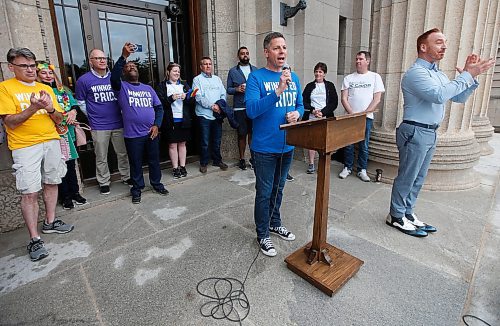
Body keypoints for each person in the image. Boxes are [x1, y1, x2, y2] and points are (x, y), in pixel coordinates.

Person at [387, 28, 495, 237]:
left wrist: (470, 79)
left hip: (429, 132)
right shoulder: (415, 73)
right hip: (415, 131)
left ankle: (408, 213)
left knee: (419, 177)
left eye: (444, 42)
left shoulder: (438, 74)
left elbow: (457, 98)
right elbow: (438, 95)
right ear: (423, 47)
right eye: (438, 42)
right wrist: (466, 75)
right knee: (408, 177)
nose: (444, 46)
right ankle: (396, 216)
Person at [0, 48, 74, 261]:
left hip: (50, 141)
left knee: (52, 182)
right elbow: (9, 122)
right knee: (30, 192)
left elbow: (60, 119)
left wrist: (51, 109)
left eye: (33, 65)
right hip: (25, 146)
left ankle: (50, 222)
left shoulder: (45, 88)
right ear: (11, 67)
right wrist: (33, 108)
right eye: (25, 66)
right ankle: (34, 238)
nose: (31, 69)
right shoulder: (5, 88)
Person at [245, 32, 304, 257]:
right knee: (264, 191)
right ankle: (262, 234)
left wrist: (297, 115)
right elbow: (251, 111)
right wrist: (278, 91)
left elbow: (300, 105)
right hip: (264, 148)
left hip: (287, 145)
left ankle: (274, 222)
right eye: (277, 48)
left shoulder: (294, 77)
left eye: (284, 47)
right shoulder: (256, 78)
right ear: (266, 52)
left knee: (279, 188)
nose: (282, 52)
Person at [111, 42, 168, 204]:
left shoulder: (148, 89)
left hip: (151, 132)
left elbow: (159, 108)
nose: (131, 67)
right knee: (135, 164)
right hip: (133, 134)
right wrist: (123, 57)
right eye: (128, 67)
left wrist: (157, 125)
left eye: (134, 66)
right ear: (124, 72)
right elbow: (113, 77)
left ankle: (156, 184)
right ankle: (137, 188)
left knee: (154, 161)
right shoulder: (121, 87)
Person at [75, 48, 130, 195]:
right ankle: (104, 181)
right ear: (91, 61)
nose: (102, 60)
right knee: (101, 156)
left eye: (104, 58)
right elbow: (80, 102)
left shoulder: (114, 77)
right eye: (98, 58)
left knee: (122, 153)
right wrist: (92, 115)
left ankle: (126, 176)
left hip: (118, 122)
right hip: (99, 125)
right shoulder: (83, 80)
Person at [36, 62, 88, 210]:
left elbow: (74, 105)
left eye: (50, 73)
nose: (48, 76)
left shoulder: (62, 90)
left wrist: (73, 112)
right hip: (52, 135)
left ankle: (75, 193)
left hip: (67, 134)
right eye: (44, 73)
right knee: (57, 167)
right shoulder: (39, 92)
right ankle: (65, 196)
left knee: (70, 165)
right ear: (38, 76)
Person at [338, 51, 384, 182]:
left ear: (367, 61)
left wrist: (364, 114)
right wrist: (352, 114)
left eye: (361, 59)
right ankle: (347, 167)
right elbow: (344, 98)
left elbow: (377, 99)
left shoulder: (375, 77)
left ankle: (362, 169)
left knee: (364, 144)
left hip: (366, 118)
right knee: (348, 144)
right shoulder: (349, 78)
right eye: (356, 59)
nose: (358, 61)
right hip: (350, 117)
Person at [156, 62, 194, 178]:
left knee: (182, 144)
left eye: (178, 71)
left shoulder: (184, 84)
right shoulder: (162, 86)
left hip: (184, 119)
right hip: (170, 120)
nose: (177, 73)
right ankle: (175, 168)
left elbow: (192, 100)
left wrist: (186, 97)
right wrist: (171, 98)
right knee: (172, 145)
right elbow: (160, 103)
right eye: (174, 71)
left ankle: (182, 166)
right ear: (168, 72)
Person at [192, 57, 228, 173]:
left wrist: (220, 105)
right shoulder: (197, 80)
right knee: (205, 141)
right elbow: (197, 97)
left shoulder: (217, 79)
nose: (208, 66)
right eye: (205, 64)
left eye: (210, 64)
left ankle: (217, 160)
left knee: (217, 140)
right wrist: (212, 106)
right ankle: (204, 162)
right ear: (201, 67)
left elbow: (223, 94)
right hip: (204, 115)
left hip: (217, 115)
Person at [302, 62, 338, 173]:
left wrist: (322, 112)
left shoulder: (330, 86)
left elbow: (334, 102)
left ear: (324, 74)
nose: (318, 74)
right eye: (316, 71)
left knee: (324, 141)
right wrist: (313, 110)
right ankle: (311, 163)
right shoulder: (309, 86)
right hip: (312, 117)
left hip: (325, 117)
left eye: (320, 72)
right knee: (311, 141)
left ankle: (323, 163)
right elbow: (303, 101)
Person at [227, 46, 257, 170]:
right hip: (239, 108)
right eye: (242, 53)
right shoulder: (233, 71)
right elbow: (228, 89)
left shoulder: (255, 70)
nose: (245, 55)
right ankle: (241, 159)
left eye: (247, 53)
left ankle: (253, 158)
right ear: (238, 56)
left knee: (252, 134)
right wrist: (237, 89)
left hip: (252, 106)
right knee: (241, 134)